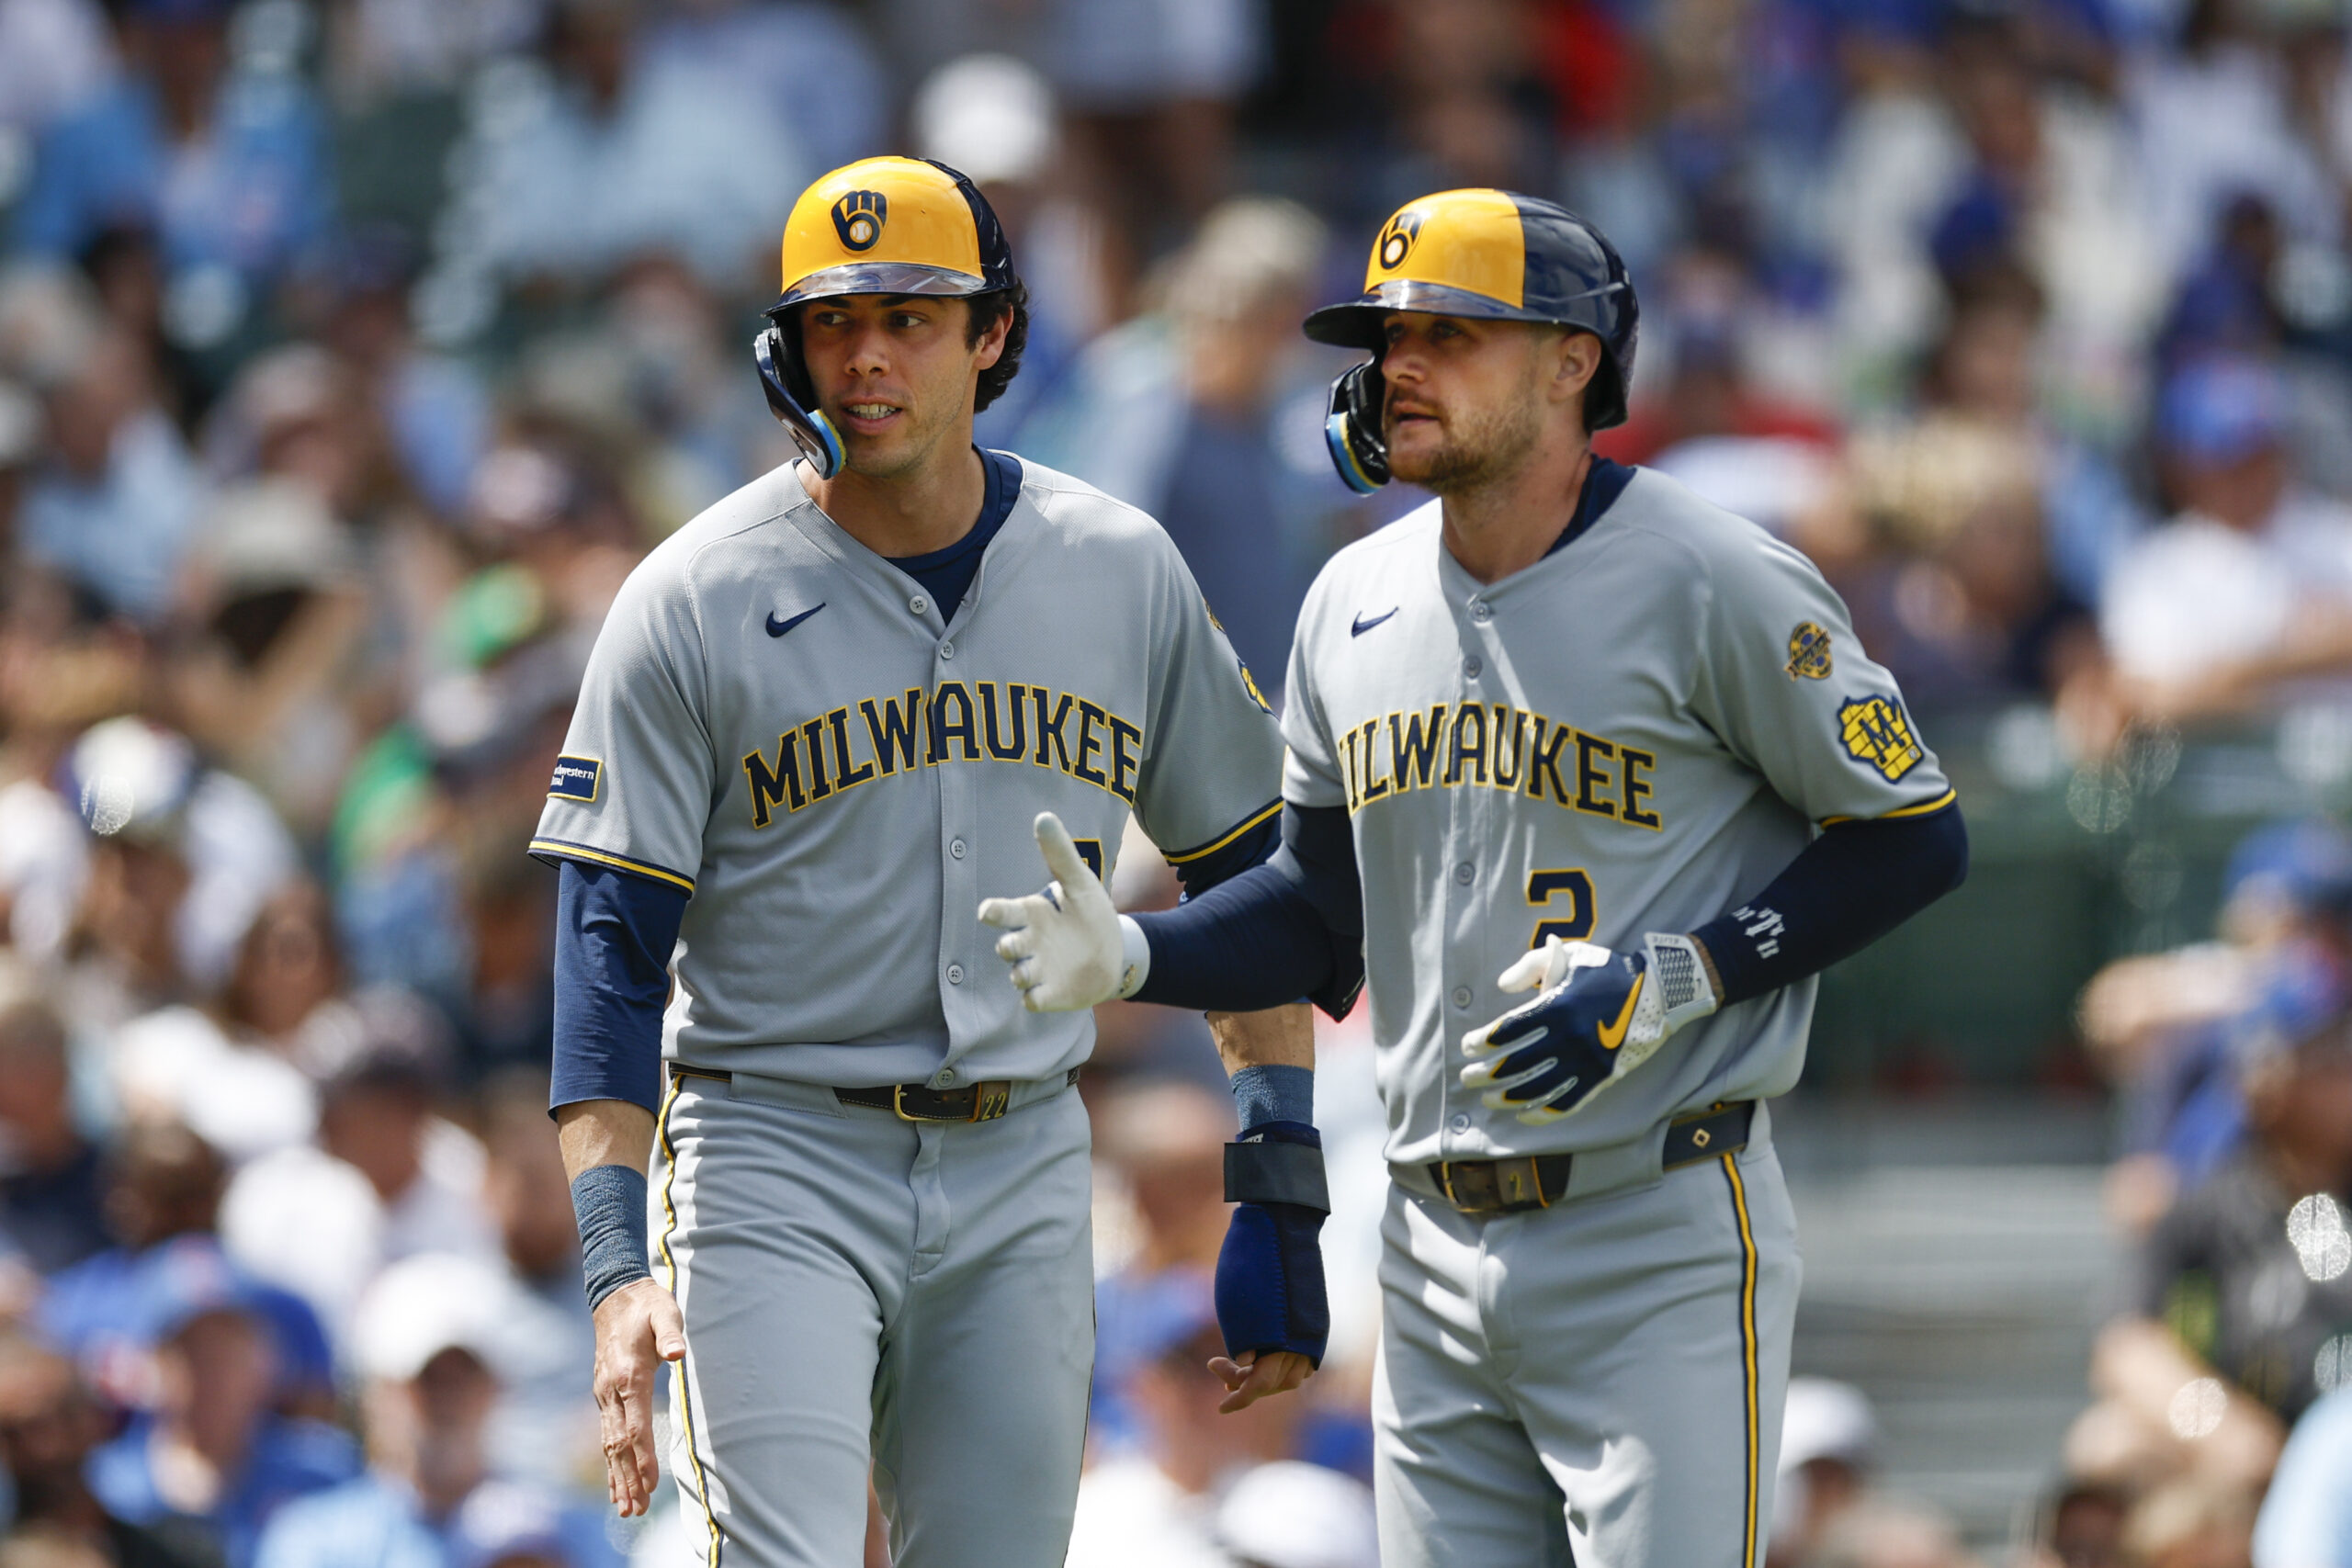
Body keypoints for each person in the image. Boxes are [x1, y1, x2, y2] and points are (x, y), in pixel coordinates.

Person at [978, 189, 1970, 1567]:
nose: (1402, 367)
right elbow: (1318, 921)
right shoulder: (1352, 599)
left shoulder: (1715, 576)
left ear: (1574, 362)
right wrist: (1140, 958)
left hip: (1656, 1220)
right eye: (1389, 338)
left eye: (1453, 333)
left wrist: (1683, 974)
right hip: (1430, 1244)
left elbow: (1915, 832)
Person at [537, 156, 1309, 1567]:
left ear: (995, 333)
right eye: (836, 323)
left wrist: (1280, 1176)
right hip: (771, 1147)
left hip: (1022, 1148)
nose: (870, 356)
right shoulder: (693, 597)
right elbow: (606, 960)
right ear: (789, 351)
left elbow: (1255, 881)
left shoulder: (1117, 564)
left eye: (912, 316)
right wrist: (611, 1264)